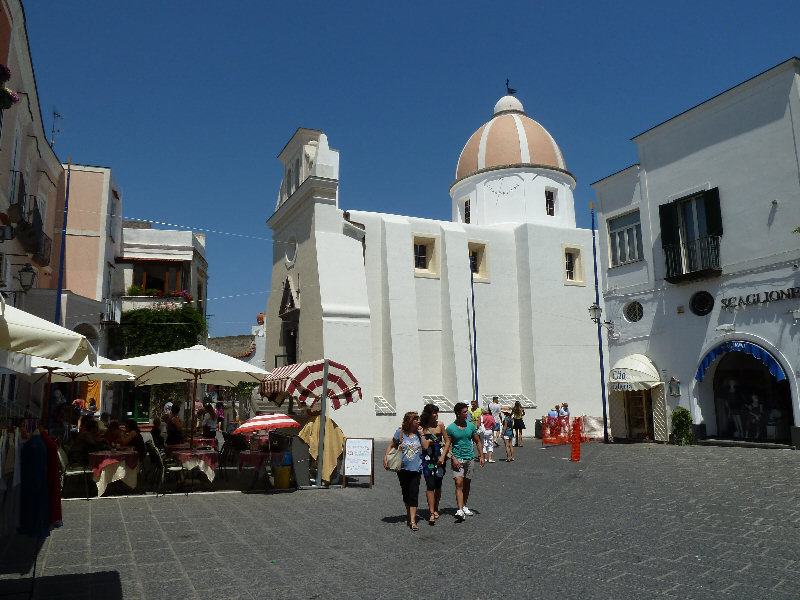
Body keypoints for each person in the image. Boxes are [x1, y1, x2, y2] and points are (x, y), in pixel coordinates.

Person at [383, 411, 428, 531]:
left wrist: (422, 434)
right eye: (416, 419)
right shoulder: (400, 432)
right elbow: (391, 445)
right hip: (402, 468)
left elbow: (425, 447)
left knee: (414, 493)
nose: (418, 420)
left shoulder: (419, 434)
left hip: (416, 469)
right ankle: (408, 514)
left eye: (418, 418)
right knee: (406, 493)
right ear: (410, 421)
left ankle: (413, 521)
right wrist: (385, 457)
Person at [444, 402, 485, 521]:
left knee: (467, 483)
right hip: (457, 459)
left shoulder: (471, 426)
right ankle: (460, 509)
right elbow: (448, 445)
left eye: (467, 411)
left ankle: (465, 505)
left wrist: (481, 456)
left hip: (470, 458)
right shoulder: (451, 428)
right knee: (458, 482)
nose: (467, 414)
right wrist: (453, 458)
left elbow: (477, 441)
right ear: (458, 414)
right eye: (465, 412)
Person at [420, 404, 448, 525]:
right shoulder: (422, 427)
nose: (436, 415)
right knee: (429, 484)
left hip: (439, 459)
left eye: (437, 412)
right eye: (434, 413)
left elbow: (447, 441)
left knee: (438, 484)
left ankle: (436, 507)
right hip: (427, 459)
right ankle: (431, 512)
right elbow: (421, 444)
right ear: (428, 414)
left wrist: (442, 457)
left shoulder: (440, 425)